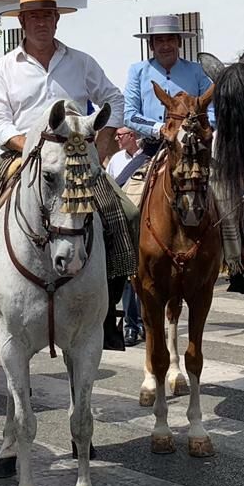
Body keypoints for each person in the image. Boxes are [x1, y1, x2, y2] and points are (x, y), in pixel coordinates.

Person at [0, 0, 135, 349]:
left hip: (76, 159)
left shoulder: (81, 62)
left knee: (126, 213)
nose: (41, 23)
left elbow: (114, 99)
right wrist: (29, 144)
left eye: (47, 16)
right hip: (22, 156)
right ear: (22, 22)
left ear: (57, 19)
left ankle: (106, 311)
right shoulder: (4, 67)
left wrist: (104, 142)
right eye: (34, 17)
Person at [126, 14, 244, 295]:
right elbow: (130, 115)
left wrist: (200, 128)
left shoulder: (195, 72)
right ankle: (126, 264)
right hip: (154, 148)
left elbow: (214, 110)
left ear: (178, 42)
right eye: (159, 40)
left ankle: (238, 265)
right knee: (124, 199)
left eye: (170, 39)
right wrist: (163, 130)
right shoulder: (138, 72)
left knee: (229, 194)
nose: (165, 45)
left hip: (194, 150)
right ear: (151, 45)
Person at [106, 127, 148, 345]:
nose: (116, 138)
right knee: (127, 279)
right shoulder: (115, 159)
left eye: (120, 135)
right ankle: (131, 324)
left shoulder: (148, 158)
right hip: (123, 223)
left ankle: (144, 321)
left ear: (132, 136)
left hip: (144, 223)